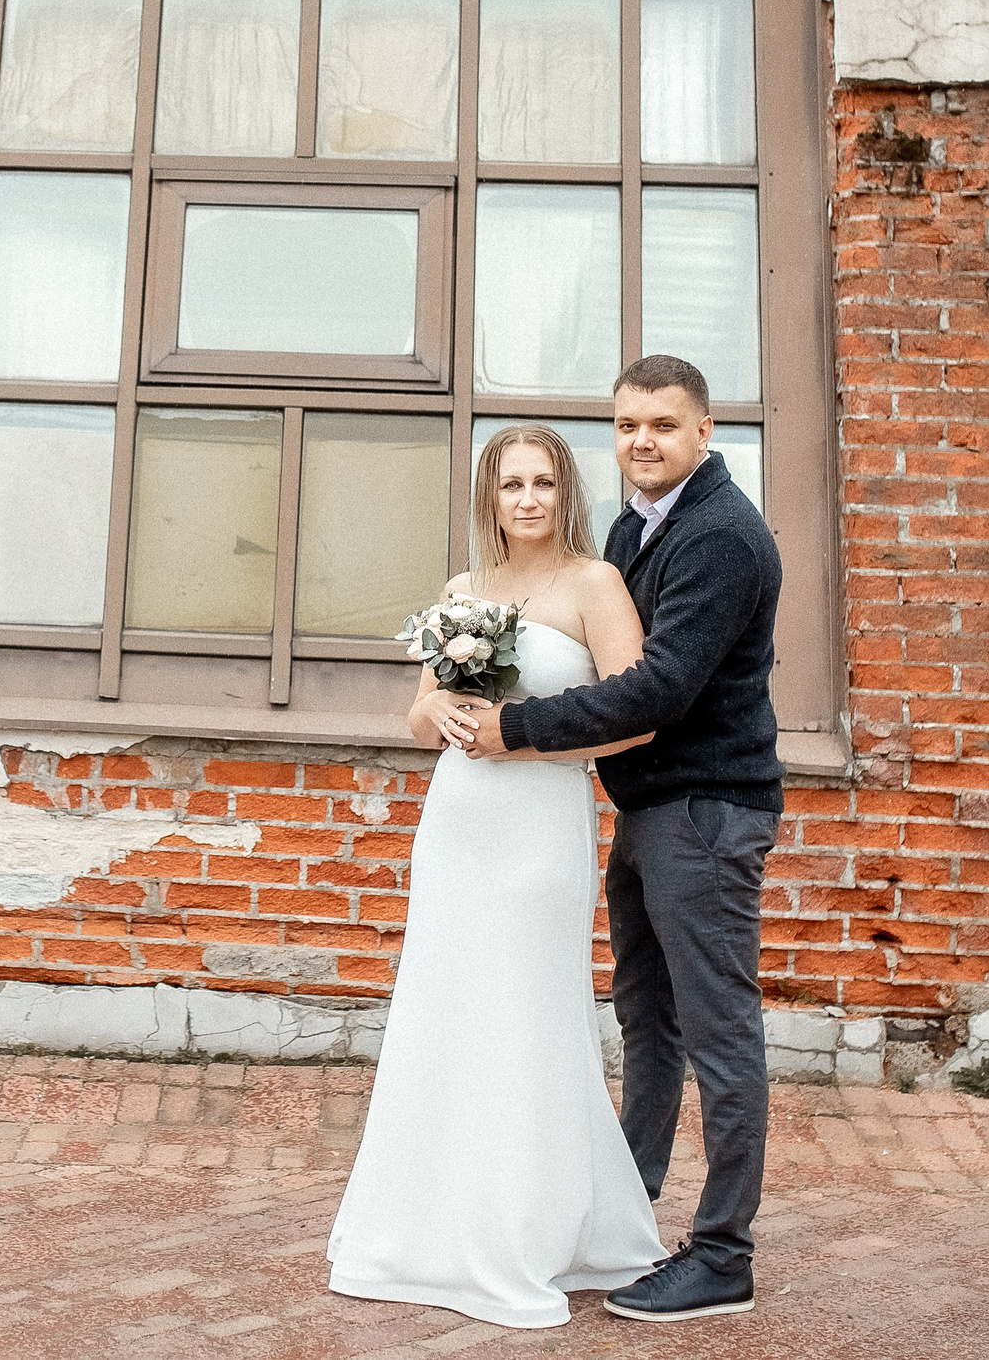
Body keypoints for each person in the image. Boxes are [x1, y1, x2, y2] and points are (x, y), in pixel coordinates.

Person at [461, 353, 784, 1324]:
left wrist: (512, 728)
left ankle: (721, 1253)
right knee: (651, 1024)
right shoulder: (636, 528)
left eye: (663, 423)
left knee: (719, 1034)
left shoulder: (722, 536)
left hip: (706, 811)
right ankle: (624, 1213)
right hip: (651, 813)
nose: (642, 439)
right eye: (628, 423)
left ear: (703, 431)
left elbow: (657, 689)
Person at [325, 423, 665, 1329]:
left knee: (526, 1014)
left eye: (544, 484)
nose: (527, 500)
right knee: (446, 1009)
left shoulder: (596, 585)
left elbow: (636, 719)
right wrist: (435, 704)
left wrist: (526, 740)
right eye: (512, 484)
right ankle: (430, 1228)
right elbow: (417, 714)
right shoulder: (462, 592)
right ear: (492, 495)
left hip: (541, 823)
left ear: (565, 495)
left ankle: (527, 1230)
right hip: (459, 824)